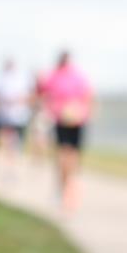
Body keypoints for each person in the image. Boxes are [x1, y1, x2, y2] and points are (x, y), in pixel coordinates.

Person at [40, 51, 93, 212]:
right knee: (70, 155)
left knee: (65, 154)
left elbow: (43, 91)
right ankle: (68, 187)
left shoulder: (56, 75)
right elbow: (88, 95)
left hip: (70, 118)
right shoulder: (75, 75)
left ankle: (66, 188)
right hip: (70, 118)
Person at [0, 57, 34, 178]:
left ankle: (13, 167)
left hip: (19, 117)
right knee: (6, 141)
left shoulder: (22, 79)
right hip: (5, 116)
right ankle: (7, 166)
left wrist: (17, 100)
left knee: (16, 144)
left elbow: (29, 97)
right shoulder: (1, 79)